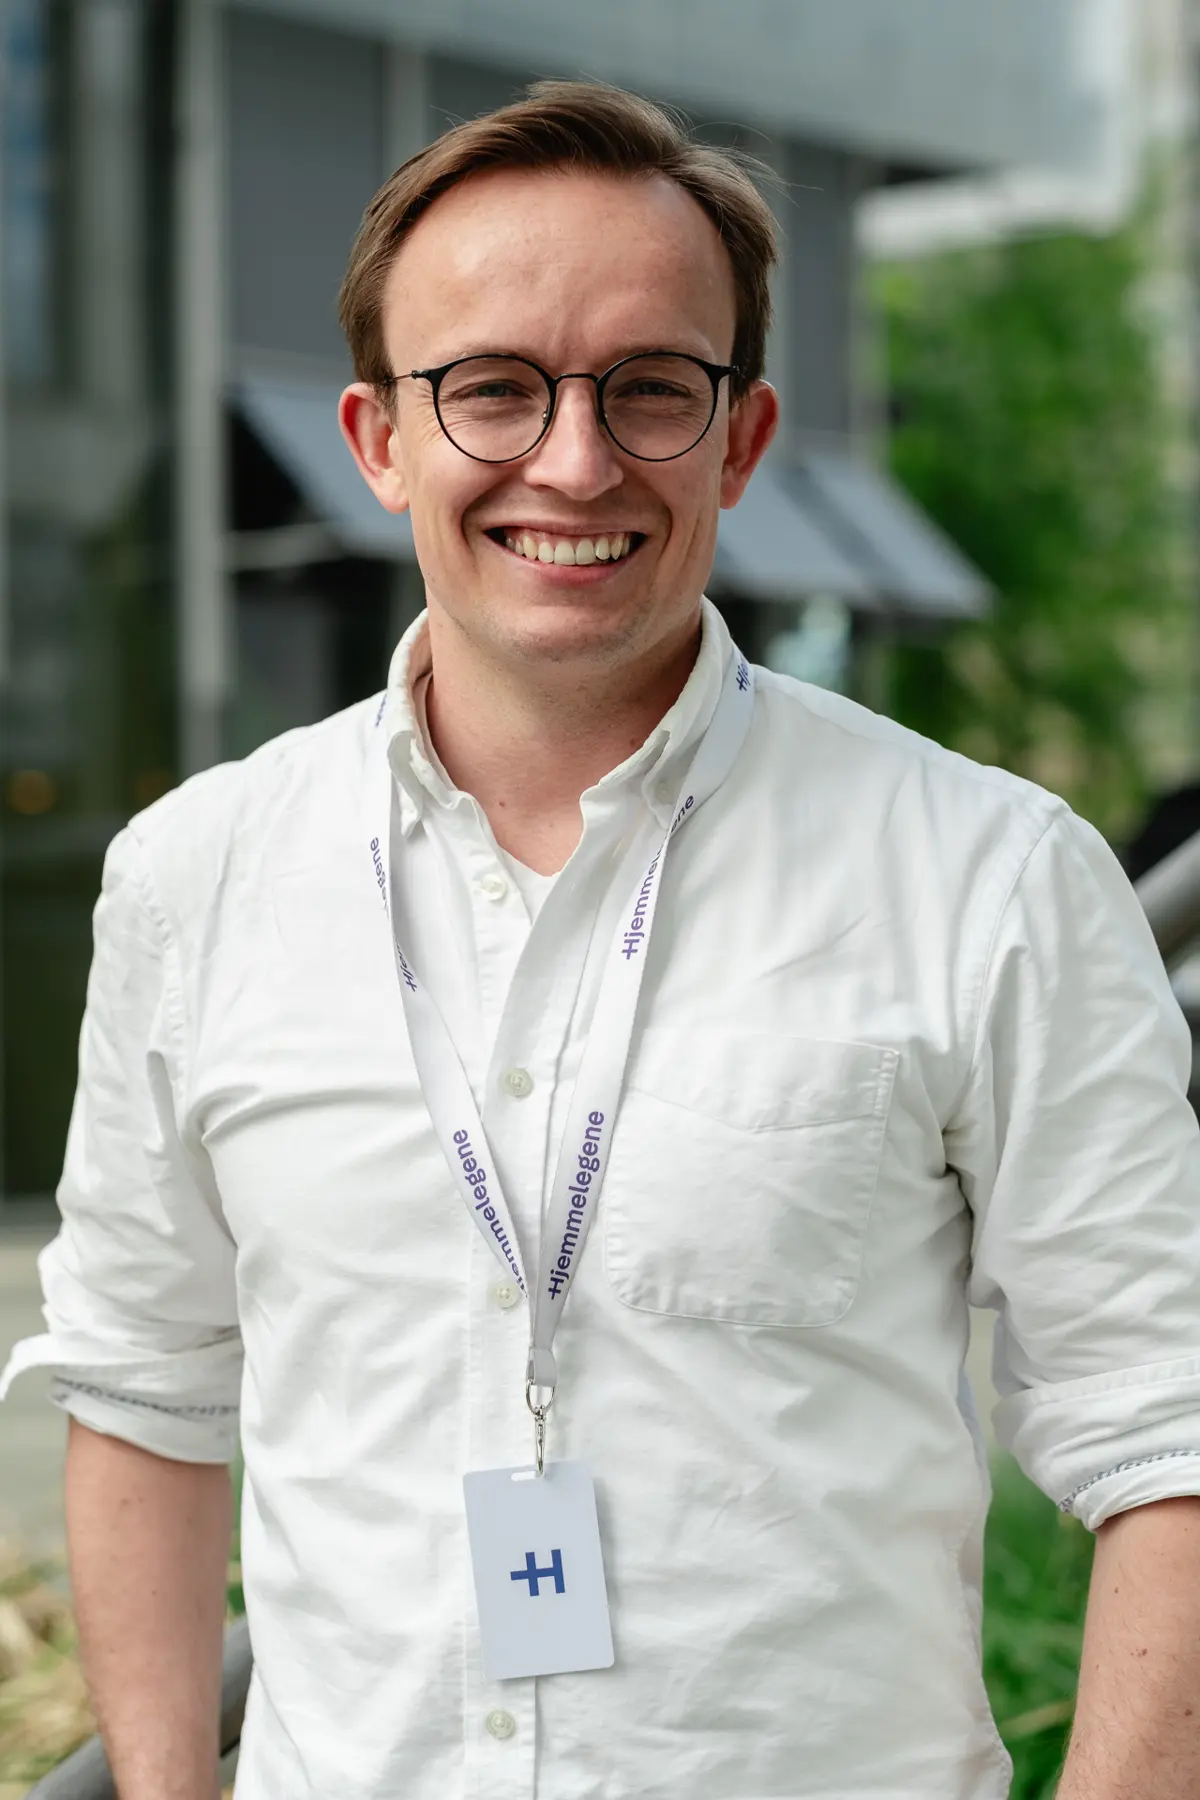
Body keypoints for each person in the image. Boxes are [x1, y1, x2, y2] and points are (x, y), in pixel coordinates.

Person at [4, 78, 1200, 1800]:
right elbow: (143, 1391)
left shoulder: (991, 874)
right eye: (492, 388)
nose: (574, 459)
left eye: (650, 389)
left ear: (742, 436)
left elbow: (1163, 1430)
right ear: (379, 438)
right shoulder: (200, 875)